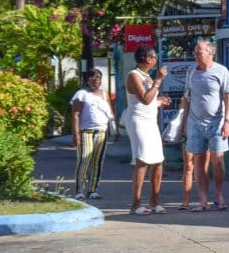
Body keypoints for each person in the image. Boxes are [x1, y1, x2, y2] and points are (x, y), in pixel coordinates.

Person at [179, 39, 229, 212]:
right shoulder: (191, 71)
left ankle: (219, 195)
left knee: (218, 161)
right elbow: (186, 97)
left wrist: (227, 121)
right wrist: (184, 122)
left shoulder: (221, 71)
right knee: (198, 162)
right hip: (195, 123)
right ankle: (203, 200)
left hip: (217, 123)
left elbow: (228, 96)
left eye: (199, 52)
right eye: (194, 53)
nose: (195, 55)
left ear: (210, 53)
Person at [125, 46, 171, 215]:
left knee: (158, 160)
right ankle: (135, 203)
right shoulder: (134, 76)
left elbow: (150, 100)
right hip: (138, 121)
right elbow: (144, 99)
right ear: (148, 59)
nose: (156, 61)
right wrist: (158, 80)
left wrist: (159, 101)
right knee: (142, 160)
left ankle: (154, 200)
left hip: (151, 122)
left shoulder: (146, 77)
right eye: (154, 57)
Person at [70, 68, 118, 200]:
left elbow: (109, 112)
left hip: (102, 131)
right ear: (87, 80)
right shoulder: (81, 94)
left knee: (98, 162)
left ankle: (92, 190)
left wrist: (115, 129)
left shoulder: (104, 94)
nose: (96, 80)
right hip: (86, 132)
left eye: (98, 78)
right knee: (85, 159)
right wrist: (76, 134)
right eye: (93, 78)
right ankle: (80, 190)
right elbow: (75, 115)